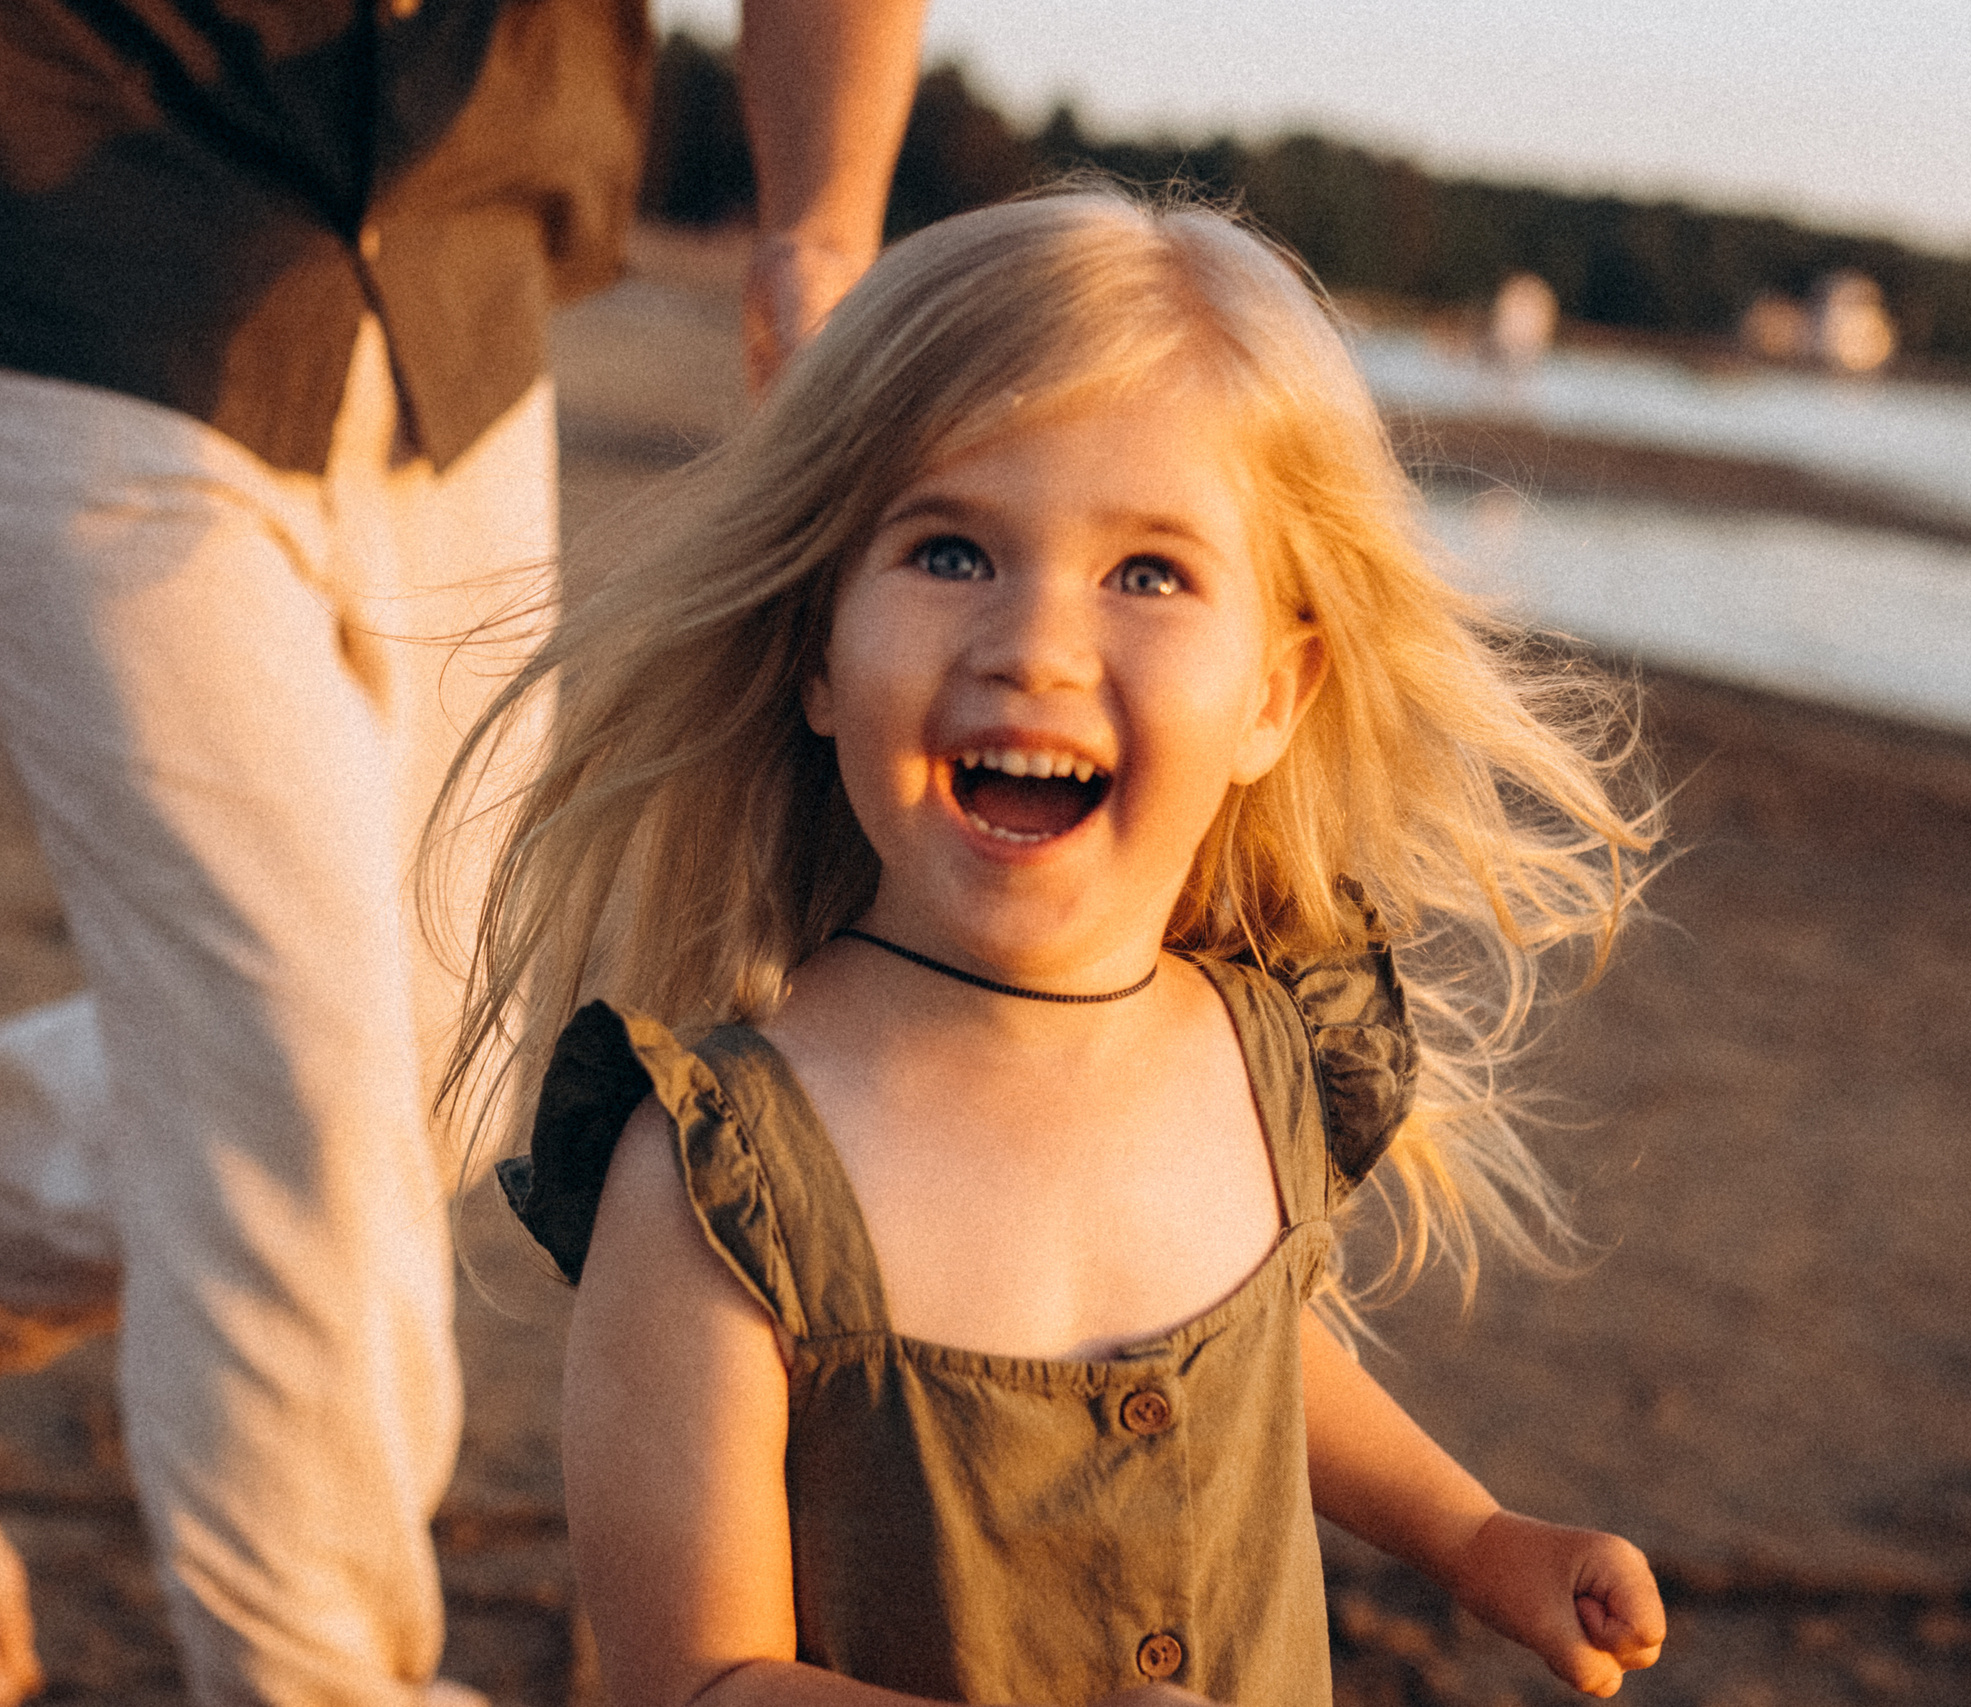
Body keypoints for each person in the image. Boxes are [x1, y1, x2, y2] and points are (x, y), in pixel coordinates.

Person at [0, 3, 924, 1705]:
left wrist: (820, 223)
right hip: (45, 191)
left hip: (455, 247)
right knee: (297, 1068)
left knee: (448, 1062)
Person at [433, 187, 1671, 1706]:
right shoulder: (723, 1177)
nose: (1034, 643)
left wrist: (1476, 1537)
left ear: (1276, 697)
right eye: (951, 552)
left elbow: (1253, 1372)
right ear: (817, 649)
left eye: (1149, 573)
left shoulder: (1258, 1053)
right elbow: (688, 1678)